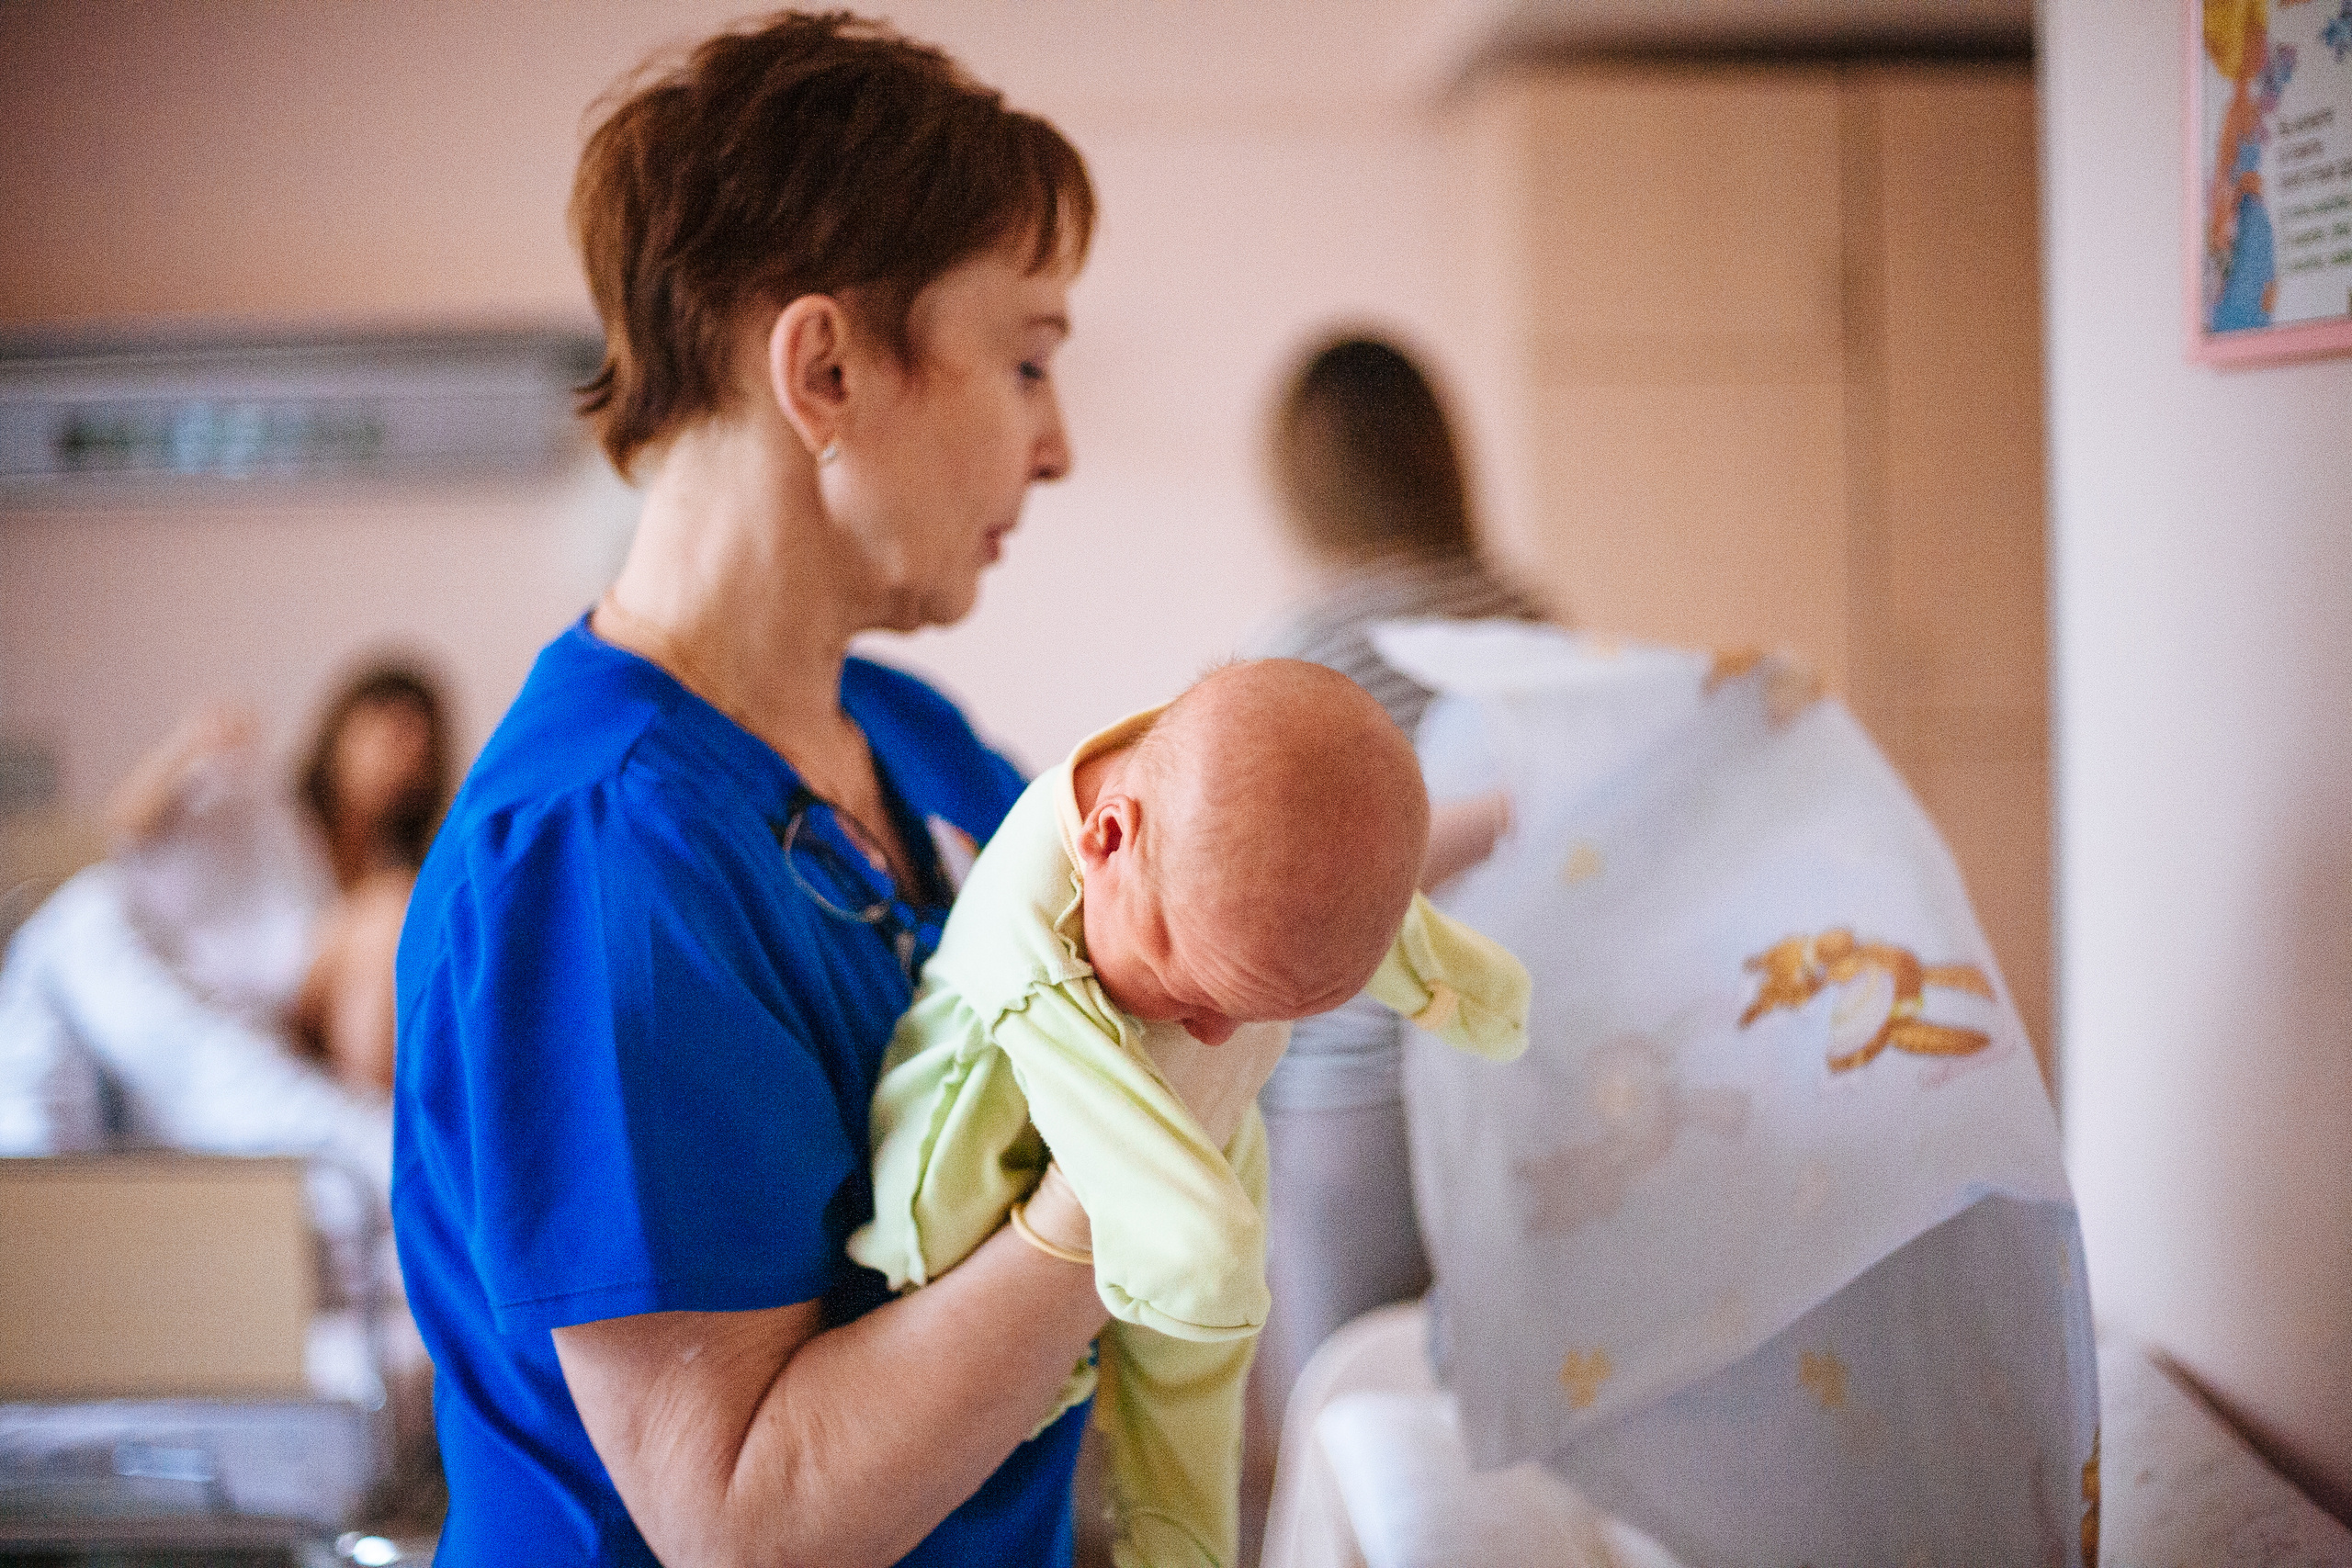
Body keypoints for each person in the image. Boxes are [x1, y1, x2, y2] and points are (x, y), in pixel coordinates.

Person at [390, 16, 1289, 1565]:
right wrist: (1139, 1163)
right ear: (822, 368)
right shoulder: (601, 854)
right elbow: (748, 1518)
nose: (1057, 444)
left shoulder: (908, 736)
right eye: (1024, 361)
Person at [849, 660, 1530, 1568]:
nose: (1214, 1032)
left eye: (1252, 1005)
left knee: (1197, 1403)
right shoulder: (1029, 939)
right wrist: (1199, 1247)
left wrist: (1456, 982)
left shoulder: (1203, 843)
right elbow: (1103, 1108)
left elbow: (1331, 902)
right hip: (984, 1161)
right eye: (1195, 987)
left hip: (1188, 1136)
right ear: (1106, 839)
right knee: (1197, 1297)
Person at [1243, 334, 1549, 1417]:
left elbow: (1236, 877)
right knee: (1505, 1425)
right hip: (1517, 1075)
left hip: (1347, 1089)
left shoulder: (1298, 648)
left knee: (1346, 1420)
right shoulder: (1528, 620)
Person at [104, 660, 452, 1096]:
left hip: (318, 1022)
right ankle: (376, 1122)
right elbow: (126, 829)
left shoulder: (398, 863)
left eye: (419, 755)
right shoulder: (268, 816)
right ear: (342, 734)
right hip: (258, 997)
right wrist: (188, 746)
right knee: (387, 915)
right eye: (390, 741)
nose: (401, 766)